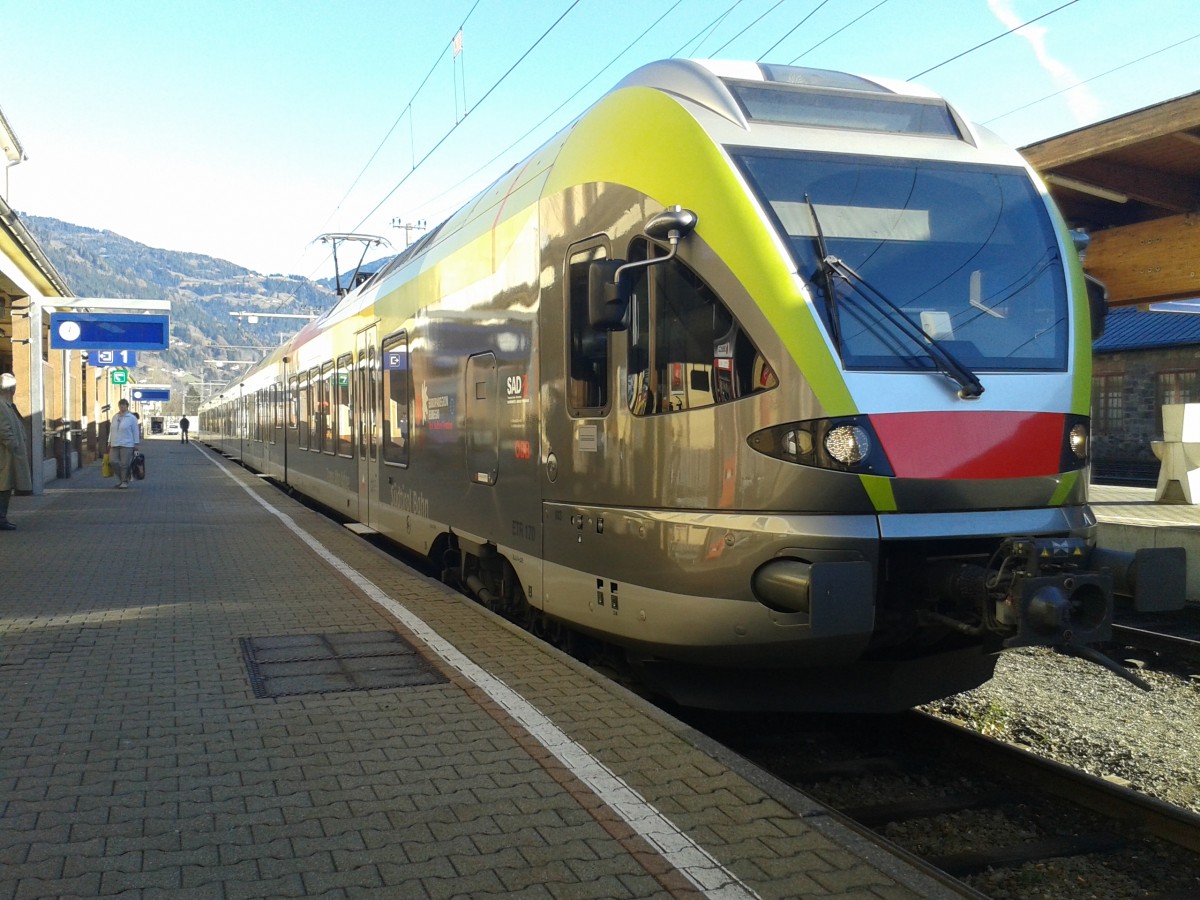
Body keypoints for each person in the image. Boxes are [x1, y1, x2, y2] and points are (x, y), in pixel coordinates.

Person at [0, 373, 32, 530]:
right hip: (5, 456)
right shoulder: (1, 405)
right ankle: (1, 519)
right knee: (3, 488)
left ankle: (2, 518)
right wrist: (14, 445)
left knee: (5, 488)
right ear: (11, 388)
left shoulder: (8, 405)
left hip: (8, 456)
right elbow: (4, 430)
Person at [108, 398, 141, 489]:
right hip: (115, 443)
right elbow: (112, 430)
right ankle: (123, 478)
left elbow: (135, 431)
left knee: (124, 464)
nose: (122, 407)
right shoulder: (115, 417)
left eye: (124, 405)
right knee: (113, 461)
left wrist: (136, 443)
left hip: (127, 444)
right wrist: (109, 441)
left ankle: (124, 482)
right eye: (120, 405)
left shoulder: (132, 418)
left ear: (127, 406)